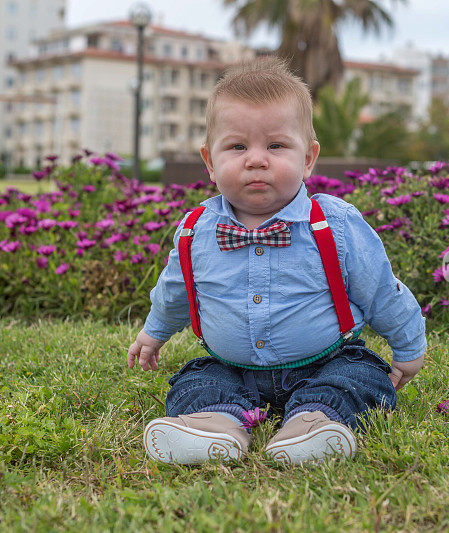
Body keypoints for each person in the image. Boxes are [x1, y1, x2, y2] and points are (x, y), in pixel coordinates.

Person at [127, 57, 426, 465]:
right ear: (210, 162)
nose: (256, 159)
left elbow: (381, 289)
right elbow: (175, 291)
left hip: (327, 361)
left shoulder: (334, 224)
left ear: (308, 158)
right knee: (196, 380)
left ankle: (315, 424)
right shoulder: (196, 230)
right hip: (231, 366)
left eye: (276, 145)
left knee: (360, 377)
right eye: (237, 146)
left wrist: (408, 346)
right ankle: (214, 424)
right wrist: (154, 331)